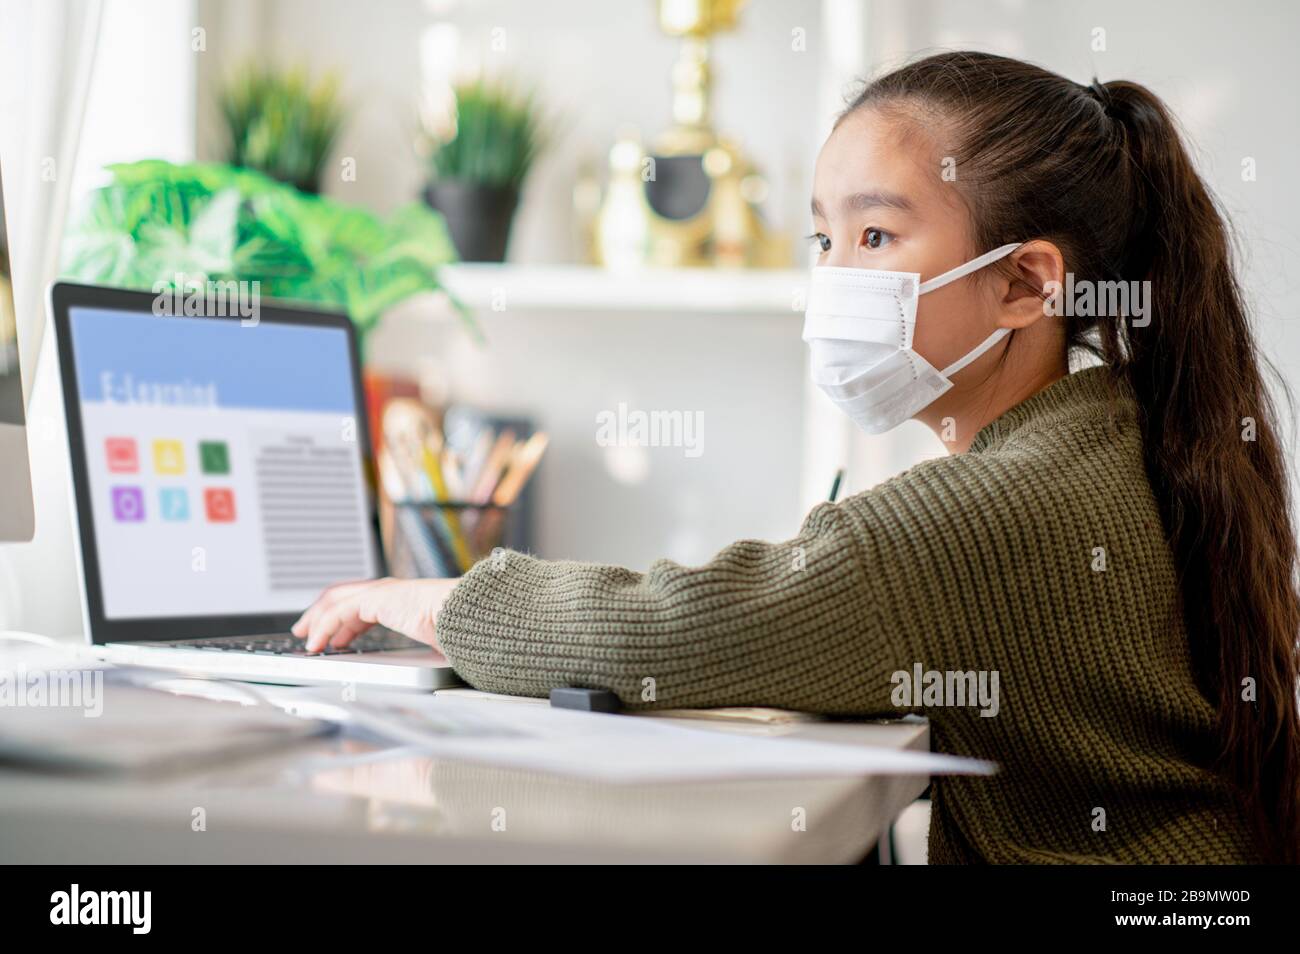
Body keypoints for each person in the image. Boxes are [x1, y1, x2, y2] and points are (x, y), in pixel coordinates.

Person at [293, 51, 1300, 864]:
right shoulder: (1112, 430)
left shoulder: (992, 508)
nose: (834, 279)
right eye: (824, 239)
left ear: (1025, 284)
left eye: (875, 234)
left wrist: (431, 602)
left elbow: (673, 630)